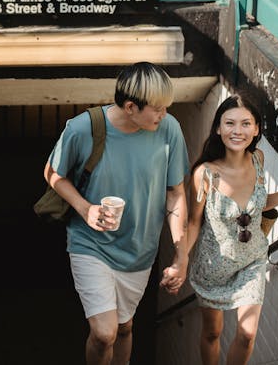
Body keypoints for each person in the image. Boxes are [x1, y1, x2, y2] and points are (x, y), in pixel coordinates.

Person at [44, 62, 190, 365]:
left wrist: (181, 254)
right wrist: (86, 209)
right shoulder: (83, 128)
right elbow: (52, 173)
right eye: (158, 108)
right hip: (90, 244)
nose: (165, 114)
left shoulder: (169, 130)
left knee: (125, 328)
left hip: (139, 251)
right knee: (104, 333)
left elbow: (175, 193)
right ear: (130, 106)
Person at [166, 94, 278, 365]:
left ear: (256, 129)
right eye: (230, 123)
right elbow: (195, 222)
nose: (238, 131)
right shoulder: (205, 174)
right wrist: (180, 260)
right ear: (218, 129)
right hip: (212, 268)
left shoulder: (258, 159)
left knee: (247, 334)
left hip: (252, 261)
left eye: (246, 124)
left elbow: (254, 207)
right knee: (213, 332)